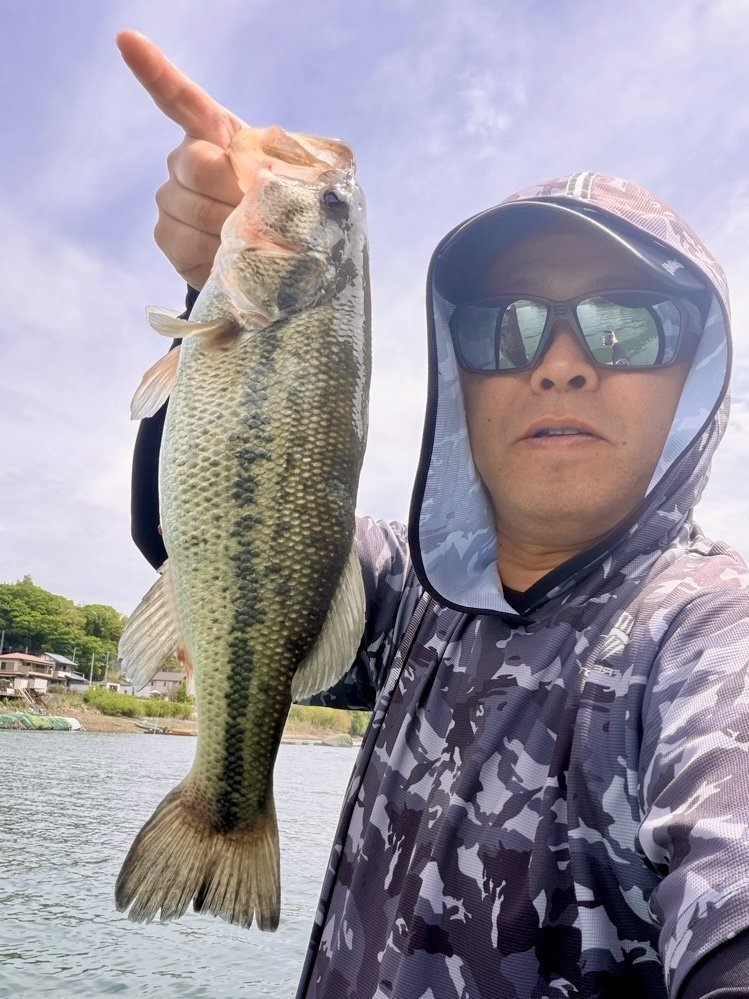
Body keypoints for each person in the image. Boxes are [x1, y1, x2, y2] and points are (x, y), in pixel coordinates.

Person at [118, 30, 749, 999]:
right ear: (464, 379)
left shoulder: (708, 640)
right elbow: (196, 542)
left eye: (625, 324)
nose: (560, 362)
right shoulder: (410, 592)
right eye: (508, 326)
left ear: (692, 370)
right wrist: (210, 293)